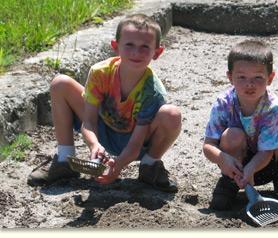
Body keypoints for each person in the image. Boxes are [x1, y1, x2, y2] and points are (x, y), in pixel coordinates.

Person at [27, 13, 181, 193]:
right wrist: (94, 144)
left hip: (135, 142)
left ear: (157, 52)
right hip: (102, 129)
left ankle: (150, 166)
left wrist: (117, 166)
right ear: (116, 47)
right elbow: (89, 121)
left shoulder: (152, 91)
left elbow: (135, 144)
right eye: (129, 44)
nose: (136, 52)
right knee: (60, 83)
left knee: (172, 114)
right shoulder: (100, 73)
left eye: (145, 47)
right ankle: (64, 160)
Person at [202, 39, 278, 212]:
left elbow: (267, 151)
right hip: (233, 165)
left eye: (258, 77)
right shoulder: (223, 103)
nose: (249, 84)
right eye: (242, 77)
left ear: (270, 78)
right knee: (232, 135)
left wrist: (250, 169)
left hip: (266, 164)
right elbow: (208, 145)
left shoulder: (273, 108)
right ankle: (229, 183)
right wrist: (222, 158)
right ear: (230, 78)